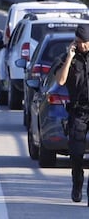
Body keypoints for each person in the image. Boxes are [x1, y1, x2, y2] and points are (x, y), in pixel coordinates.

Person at [55, 24, 89, 206]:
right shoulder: (70, 58)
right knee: (76, 154)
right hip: (78, 112)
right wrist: (69, 57)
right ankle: (77, 184)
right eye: (79, 42)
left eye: (85, 42)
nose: (82, 46)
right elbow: (60, 80)